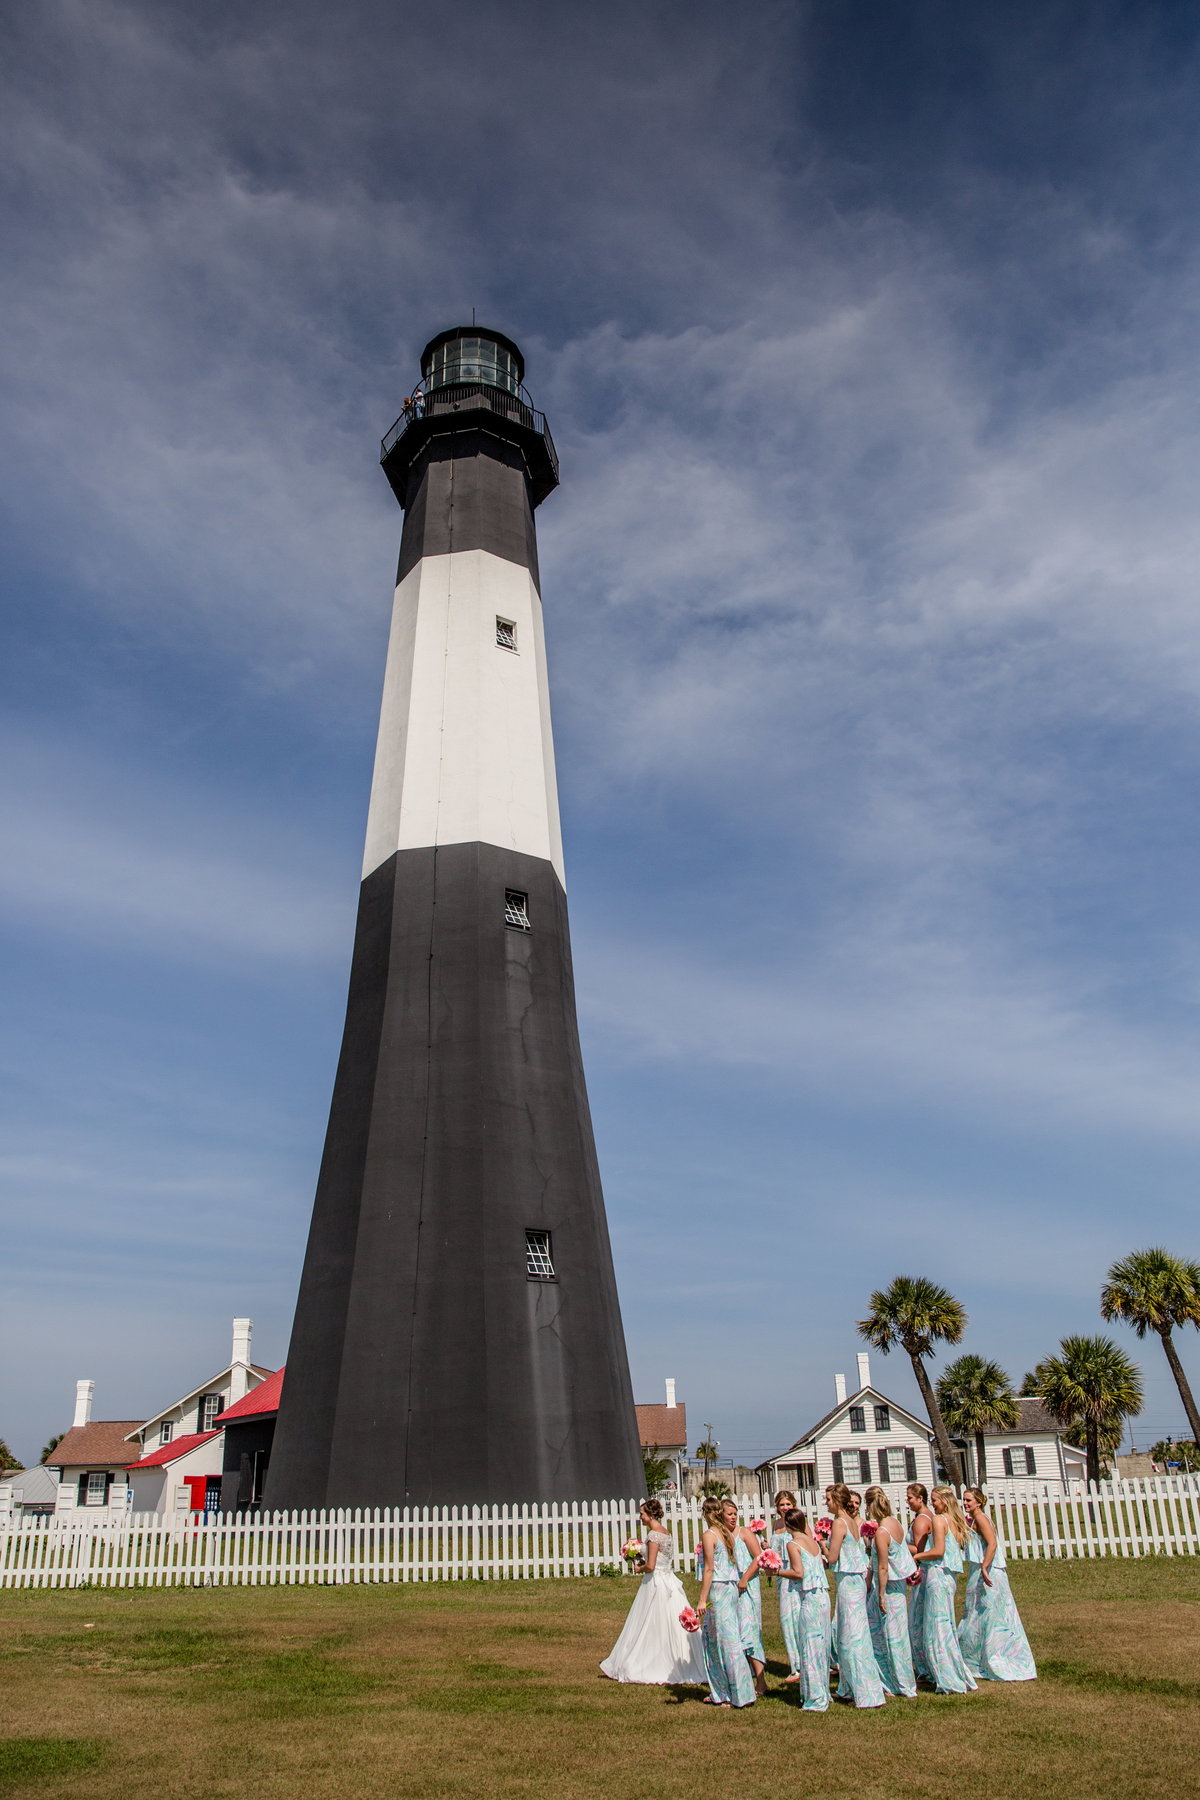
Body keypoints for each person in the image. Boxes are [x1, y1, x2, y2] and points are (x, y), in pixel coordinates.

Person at [600, 1500, 708, 1685]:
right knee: (670, 1619)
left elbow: (650, 1566)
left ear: (650, 1515)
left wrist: (638, 1569)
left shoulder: (653, 1535)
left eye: (642, 1513)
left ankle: (649, 1662)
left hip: (656, 1582)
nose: (640, 1517)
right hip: (669, 1580)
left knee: (650, 1621)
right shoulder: (666, 1532)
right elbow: (660, 1559)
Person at [959, 1488, 1037, 1682]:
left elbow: (992, 1543)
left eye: (969, 1500)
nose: (965, 1503)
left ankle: (1000, 1657)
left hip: (989, 1570)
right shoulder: (976, 1519)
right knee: (977, 1614)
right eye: (964, 1500)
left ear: (978, 1501)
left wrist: (985, 1567)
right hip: (980, 1569)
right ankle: (975, 1659)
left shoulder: (982, 1519)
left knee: (992, 1614)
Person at [824, 1483, 886, 1707]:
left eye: (829, 1500)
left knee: (852, 1638)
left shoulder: (840, 1523)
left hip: (849, 1584)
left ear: (837, 1501)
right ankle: (848, 1686)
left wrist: (821, 1543)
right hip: (853, 1582)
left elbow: (832, 1558)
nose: (826, 1503)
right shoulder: (851, 1522)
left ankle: (864, 1692)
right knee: (851, 1635)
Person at [911, 1486, 977, 1693]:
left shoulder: (939, 1520)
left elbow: (938, 1551)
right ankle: (952, 1672)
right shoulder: (954, 1521)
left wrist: (915, 1557)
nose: (933, 1504)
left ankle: (947, 1677)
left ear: (945, 1501)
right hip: (949, 1577)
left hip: (938, 1575)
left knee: (937, 1628)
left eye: (935, 1500)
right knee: (945, 1625)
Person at [696, 1497, 756, 1706]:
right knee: (729, 1639)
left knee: (720, 1642)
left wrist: (702, 1599)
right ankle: (731, 1691)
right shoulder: (727, 1535)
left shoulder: (710, 1535)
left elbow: (709, 1569)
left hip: (719, 1588)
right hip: (731, 1587)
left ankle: (732, 1693)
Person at [863, 1486, 917, 1698]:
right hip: (899, 1589)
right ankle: (900, 1680)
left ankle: (896, 1682)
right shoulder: (895, 1523)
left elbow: (883, 1567)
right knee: (898, 1636)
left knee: (888, 1637)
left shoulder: (882, 1532)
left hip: (889, 1589)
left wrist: (880, 1594)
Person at [776, 1507, 831, 1711]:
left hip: (810, 1598)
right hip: (823, 1596)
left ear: (788, 1525)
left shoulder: (793, 1543)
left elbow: (798, 1573)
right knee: (820, 1646)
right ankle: (819, 1691)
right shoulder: (813, 1542)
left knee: (809, 1646)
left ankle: (816, 1698)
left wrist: (777, 1571)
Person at [725, 1499, 767, 1696]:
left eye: (735, 1514)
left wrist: (745, 1578)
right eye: (729, 1514)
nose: (733, 1517)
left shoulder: (745, 1533)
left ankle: (761, 1680)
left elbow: (759, 1558)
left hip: (747, 1585)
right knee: (736, 1632)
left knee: (749, 1632)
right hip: (730, 1587)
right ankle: (741, 1677)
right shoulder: (721, 1535)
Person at [769, 1489, 801, 1684]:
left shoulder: (799, 1522)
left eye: (788, 1504)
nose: (785, 1508)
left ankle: (804, 1663)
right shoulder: (776, 1525)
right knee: (786, 1619)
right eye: (782, 1505)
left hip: (795, 1574)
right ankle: (794, 1664)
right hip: (781, 1575)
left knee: (798, 1618)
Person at [905, 1482, 934, 1683]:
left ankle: (924, 1668)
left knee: (917, 1620)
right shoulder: (927, 1516)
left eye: (910, 1498)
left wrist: (897, 1545)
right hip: (924, 1569)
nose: (908, 1502)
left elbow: (919, 1549)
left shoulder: (921, 1521)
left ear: (920, 1498)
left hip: (921, 1571)